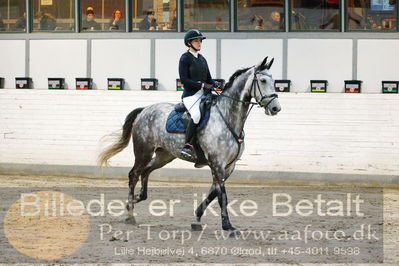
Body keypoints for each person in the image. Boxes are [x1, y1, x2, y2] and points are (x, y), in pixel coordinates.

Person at [178, 29, 219, 160]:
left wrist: (216, 84)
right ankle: (187, 145)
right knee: (196, 115)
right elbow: (184, 80)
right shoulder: (185, 58)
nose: (199, 43)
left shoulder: (202, 59)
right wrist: (202, 85)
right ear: (189, 43)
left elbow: (209, 79)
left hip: (204, 95)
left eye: (200, 40)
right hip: (191, 96)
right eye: (196, 41)